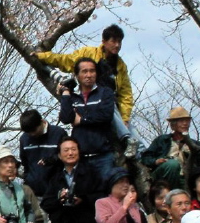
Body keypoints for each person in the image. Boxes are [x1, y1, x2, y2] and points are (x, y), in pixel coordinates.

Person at [33, 24, 139, 159]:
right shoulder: (89, 53)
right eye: (113, 41)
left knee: (136, 138)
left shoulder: (120, 65)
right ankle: (127, 138)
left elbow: (125, 94)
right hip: (90, 101)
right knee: (123, 130)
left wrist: (125, 118)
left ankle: (145, 161)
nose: (117, 45)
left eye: (119, 42)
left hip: (110, 105)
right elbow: (65, 60)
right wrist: (42, 56)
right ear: (104, 41)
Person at [58, 57, 116, 183]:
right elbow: (66, 118)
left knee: (105, 193)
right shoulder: (73, 97)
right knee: (83, 195)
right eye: (84, 71)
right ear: (77, 75)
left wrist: (82, 120)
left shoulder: (105, 92)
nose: (89, 75)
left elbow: (106, 116)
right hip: (81, 157)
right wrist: (66, 93)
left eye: (92, 71)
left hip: (103, 155)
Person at [142, 107, 200, 189]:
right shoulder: (162, 140)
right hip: (162, 178)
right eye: (181, 121)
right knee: (172, 164)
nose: (185, 123)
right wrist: (155, 161)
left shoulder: (196, 145)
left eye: (187, 121)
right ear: (173, 124)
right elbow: (145, 158)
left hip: (185, 179)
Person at [19, 109, 67, 199]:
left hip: (56, 191)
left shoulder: (58, 133)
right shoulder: (24, 139)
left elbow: (67, 156)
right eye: (28, 132)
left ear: (42, 122)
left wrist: (52, 159)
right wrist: (28, 179)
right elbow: (24, 162)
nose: (32, 134)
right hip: (33, 192)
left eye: (34, 130)